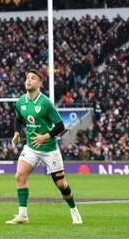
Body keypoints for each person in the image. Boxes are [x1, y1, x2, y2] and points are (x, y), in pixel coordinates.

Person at [6, 70, 82, 225]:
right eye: (27, 78)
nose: (28, 80)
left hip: (49, 149)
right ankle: (23, 215)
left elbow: (60, 125)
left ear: (39, 83)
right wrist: (16, 132)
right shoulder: (21, 101)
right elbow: (19, 119)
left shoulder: (46, 102)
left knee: (61, 184)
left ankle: (74, 211)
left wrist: (45, 137)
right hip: (31, 147)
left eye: (32, 78)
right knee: (20, 176)